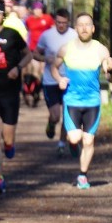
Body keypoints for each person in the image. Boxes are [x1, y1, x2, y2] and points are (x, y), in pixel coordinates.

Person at [49, 12, 112, 190]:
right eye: (81, 25)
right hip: (72, 101)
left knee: (88, 141)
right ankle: (71, 143)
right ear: (76, 28)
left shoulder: (100, 49)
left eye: (88, 25)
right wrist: (59, 79)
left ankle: (83, 175)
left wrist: (109, 69)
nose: (84, 28)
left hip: (93, 101)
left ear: (93, 29)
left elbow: (108, 73)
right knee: (75, 137)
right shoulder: (66, 48)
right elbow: (53, 67)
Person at [0, 0, 32, 193]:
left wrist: (18, 68)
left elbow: (29, 55)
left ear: (4, 15)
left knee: (7, 137)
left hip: (10, 92)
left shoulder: (13, 35)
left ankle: (9, 145)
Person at [33, 8, 77, 156]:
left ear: (68, 22)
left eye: (64, 23)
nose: (61, 25)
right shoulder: (47, 36)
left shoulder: (74, 35)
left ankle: (61, 143)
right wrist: (45, 59)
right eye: (58, 22)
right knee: (56, 115)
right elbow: (35, 53)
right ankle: (51, 124)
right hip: (50, 80)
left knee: (67, 114)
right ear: (55, 21)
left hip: (69, 80)